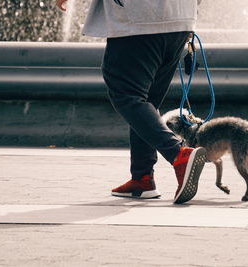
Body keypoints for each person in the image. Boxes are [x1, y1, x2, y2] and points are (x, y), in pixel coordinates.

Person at [56, 0, 207, 204]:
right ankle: (142, 178)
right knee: (147, 102)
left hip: (140, 19)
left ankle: (179, 154)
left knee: (126, 93)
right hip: (179, 20)